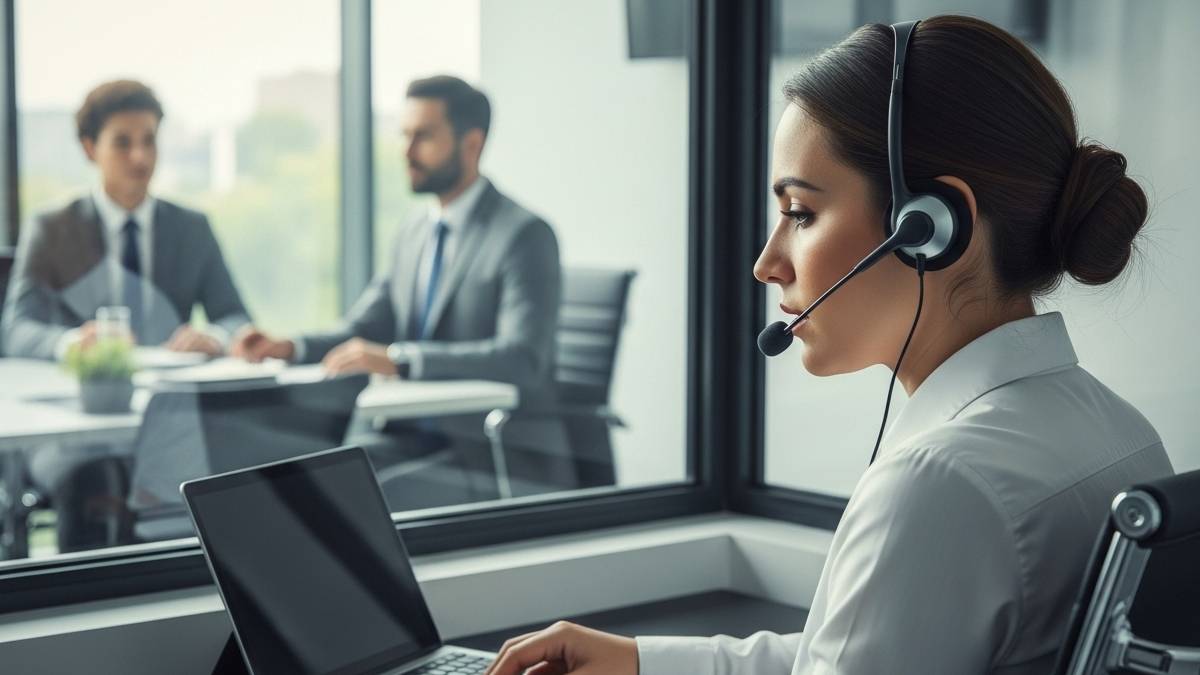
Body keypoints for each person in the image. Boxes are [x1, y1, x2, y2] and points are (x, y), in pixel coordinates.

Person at [484, 15, 1174, 675]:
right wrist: (640, 661)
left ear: (931, 226)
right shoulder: (1121, 432)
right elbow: (853, 653)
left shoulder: (940, 484)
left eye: (800, 213)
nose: (767, 262)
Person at [232, 76, 563, 501]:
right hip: (403, 433)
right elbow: (364, 328)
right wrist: (287, 346)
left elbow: (521, 359)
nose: (406, 152)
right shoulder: (414, 232)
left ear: (472, 144)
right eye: (404, 135)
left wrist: (400, 360)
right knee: (291, 480)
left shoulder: (523, 236)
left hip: (486, 449)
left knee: (353, 497)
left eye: (422, 137)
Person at [2, 79, 251, 360]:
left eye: (149, 140)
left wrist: (214, 337)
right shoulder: (52, 229)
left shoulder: (192, 228)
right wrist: (73, 343)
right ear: (90, 149)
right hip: (86, 392)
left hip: (171, 394)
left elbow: (236, 318)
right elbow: (15, 331)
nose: (140, 156)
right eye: (123, 143)